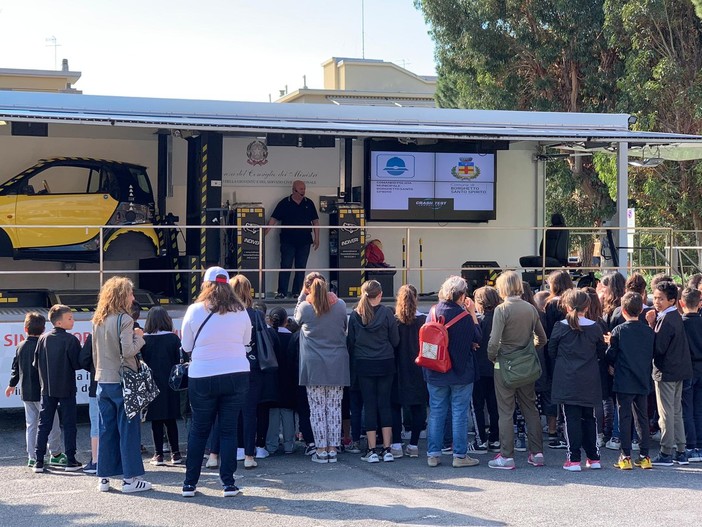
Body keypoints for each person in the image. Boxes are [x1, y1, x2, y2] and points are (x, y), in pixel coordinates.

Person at [181, 267, 251, 498]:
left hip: (203, 375)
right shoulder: (241, 310)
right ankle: (229, 484)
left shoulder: (194, 310)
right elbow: (247, 341)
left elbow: (187, 346)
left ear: (205, 285)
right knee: (228, 430)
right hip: (236, 373)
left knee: (199, 430)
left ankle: (190, 483)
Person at [92, 277, 150, 493]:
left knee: (106, 429)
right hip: (123, 381)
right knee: (128, 430)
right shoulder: (124, 319)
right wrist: (139, 337)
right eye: (130, 293)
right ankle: (130, 479)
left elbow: (95, 353)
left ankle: (104, 478)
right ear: (122, 295)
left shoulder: (98, 318)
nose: (133, 297)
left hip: (102, 380)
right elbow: (128, 351)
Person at [487, 271, 546, 470]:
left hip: (505, 365)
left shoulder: (501, 310)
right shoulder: (530, 308)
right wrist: (529, 351)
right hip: (526, 364)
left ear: (502, 288)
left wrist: (493, 356)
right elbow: (542, 339)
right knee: (530, 409)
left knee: (505, 411)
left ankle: (506, 456)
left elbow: (494, 342)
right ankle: (537, 453)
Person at [423, 276, 481, 469]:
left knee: (437, 412)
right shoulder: (464, 317)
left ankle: (433, 454)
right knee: (459, 413)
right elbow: (477, 338)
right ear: (463, 295)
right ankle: (459, 456)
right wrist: (472, 312)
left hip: (435, 370)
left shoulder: (432, 312)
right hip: (461, 372)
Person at [294, 272, 349, 464]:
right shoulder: (340, 305)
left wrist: (302, 295)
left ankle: (321, 449)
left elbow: (295, 320)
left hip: (313, 363)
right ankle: (333, 449)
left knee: (316, 409)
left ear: (307, 287)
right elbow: (344, 325)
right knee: (334, 407)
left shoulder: (305, 307)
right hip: (337, 362)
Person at [548, 289, 605, 472]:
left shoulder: (560, 326)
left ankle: (573, 459)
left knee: (570, 418)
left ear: (566, 306)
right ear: (588, 306)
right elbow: (600, 353)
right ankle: (593, 457)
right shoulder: (595, 327)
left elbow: (551, 351)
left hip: (566, 378)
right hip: (589, 378)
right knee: (589, 417)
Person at [347, 280, 400, 463]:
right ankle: (387, 448)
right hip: (385, 362)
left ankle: (371, 450)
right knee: (384, 404)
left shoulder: (355, 315)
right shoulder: (387, 313)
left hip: (363, 363)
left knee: (369, 405)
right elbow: (395, 340)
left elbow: (351, 343)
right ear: (380, 294)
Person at [5, 312, 65, 469]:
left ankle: (32, 456)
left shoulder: (20, 346)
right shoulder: (45, 344)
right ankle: (56, 453)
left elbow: (15, 368)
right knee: (52, 423)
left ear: (25, 328)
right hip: (43, 391)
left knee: (31, 425)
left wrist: (12, 385)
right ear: (44, 329)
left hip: (27, 391)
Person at [605, 292, 655, 470]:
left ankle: (625, 456)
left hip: (624, 379)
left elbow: (611, 355)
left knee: (625, 417)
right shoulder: (649, 331)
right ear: (641, 309)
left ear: (623, 311)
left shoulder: (619, 330)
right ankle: (645, 455)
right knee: (642, 418)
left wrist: (609, 344)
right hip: (642, 378)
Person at [33, 304, 83, 474]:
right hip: (67, 387)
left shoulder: (43, 338)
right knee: (69, 425)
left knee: (43, 424)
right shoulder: (71, 340)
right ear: (60, 322)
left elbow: (36, 362)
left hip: (46, 388)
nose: (73, 321)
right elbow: (77, 364)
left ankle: (38, 461)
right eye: (70, 318)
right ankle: (70, 460)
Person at [141, 306, 183, 466]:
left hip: (152, 383)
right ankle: (176, 453)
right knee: (171, 420)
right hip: (170, 383)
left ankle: (158, 454)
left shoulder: (145, 339)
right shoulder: (173, 338)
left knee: (155, 421)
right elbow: (180, 359)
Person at [266, 180, 320, 299]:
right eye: (301, 189)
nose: (303, 191)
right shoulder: (284, 203)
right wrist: (264, 233)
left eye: (304, 189)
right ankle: (282, 292)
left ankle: (297, 292)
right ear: (294, 190)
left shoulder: (309, 203)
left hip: (305, 241)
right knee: (285, 266)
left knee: (301, 267)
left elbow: (315, 222)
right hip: (288, 240)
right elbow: (273, 219)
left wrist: (317, 238)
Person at [394, 284, 428, 458]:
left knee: (395, 406)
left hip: (398, 368)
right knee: (418, 407)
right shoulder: (424, 320)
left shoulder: (394, 320)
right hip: (418, 367)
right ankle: (414, 444)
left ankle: (396, 445)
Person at [472, 286, 502, 453]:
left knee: (477, 405)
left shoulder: (478, 320)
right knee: (495, 406)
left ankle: (480, 440)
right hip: (497, 367)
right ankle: (495, 438)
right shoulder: (500, 318)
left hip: (479, 368)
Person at [266, 306, 297, 454]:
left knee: (272, 413)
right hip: (288, 378)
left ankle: (271, 444)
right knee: (287, 412)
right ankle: (289, 444)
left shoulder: (268, 336)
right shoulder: (292, 337)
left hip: (272, 379)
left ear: (270, 320)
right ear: (286, 321)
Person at [681, 287, 702, 463]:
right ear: (700, 304)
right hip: (701, 368)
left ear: (681, 303)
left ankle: (690, 444)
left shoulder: (681, 323)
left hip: (687, 369)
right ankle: (700, 445)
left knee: (686, 408)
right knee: (699, 408)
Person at [78, 333, 99, 473]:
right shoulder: (122, 329)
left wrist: (93, 368)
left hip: (96, 384)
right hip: (119, 385)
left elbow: (83, 359)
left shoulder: (94, 334)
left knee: (96, 424)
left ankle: (96, 461)